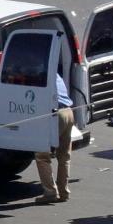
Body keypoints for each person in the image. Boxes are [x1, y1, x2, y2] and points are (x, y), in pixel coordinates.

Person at [35, 73, 75, 204]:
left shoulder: (41, 74)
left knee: (42, 156)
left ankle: (50, 192)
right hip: (68, 112)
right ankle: (64, 192)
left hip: (55, 114)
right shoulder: (55, 74)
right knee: (64, 156)